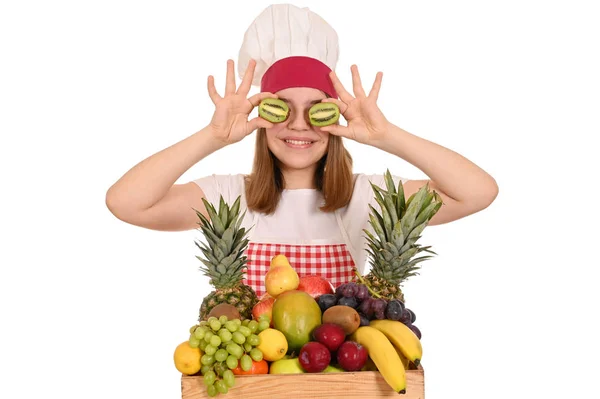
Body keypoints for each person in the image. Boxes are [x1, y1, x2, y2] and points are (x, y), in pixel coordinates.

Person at [105, 4, 498, 297]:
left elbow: (478, 192)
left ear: (336, 120)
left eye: (317, 111)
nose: (298, 124)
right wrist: (213, 136)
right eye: (282, 108)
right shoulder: (227, 196)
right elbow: (126, 203)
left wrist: (386, 136)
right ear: (261, 116)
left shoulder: (366, 198)